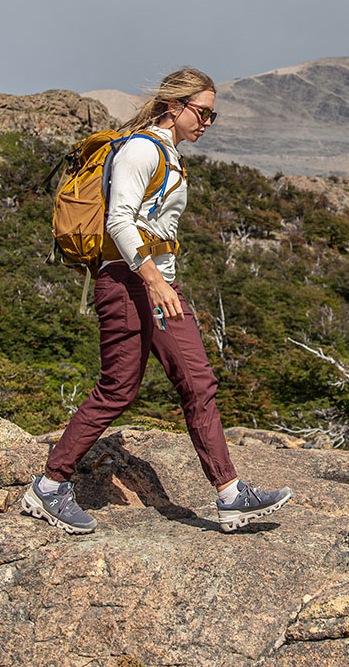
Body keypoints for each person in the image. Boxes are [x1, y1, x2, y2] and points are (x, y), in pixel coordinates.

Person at [21, 67, 291, 534]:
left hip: (158, 284)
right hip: (129, 283)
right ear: (174, 106)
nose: (207, 121)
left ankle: (231, 495)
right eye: (202, 112)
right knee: (119, 388)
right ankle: (48, 487)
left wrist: (163, 282)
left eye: (213, 115)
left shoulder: (167, 152)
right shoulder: (142, 149)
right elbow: (119, 222)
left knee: (197, 380)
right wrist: (154, 281)